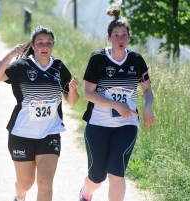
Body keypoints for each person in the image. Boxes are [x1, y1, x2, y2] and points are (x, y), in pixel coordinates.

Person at [0, 25, 79, 201]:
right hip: (22, 133)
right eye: (40, 43)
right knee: (26, 184)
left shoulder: (59, 68)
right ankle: (19, 195)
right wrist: (10, 55)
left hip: (50, 132)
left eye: (48, 43)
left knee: (45, 182)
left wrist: (73, 89)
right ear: (32, 44)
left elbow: (72, 100)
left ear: (53, 45)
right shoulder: (21, 66)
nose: (44, 46)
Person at [79, 2, 155, 201]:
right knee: (97, 178)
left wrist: (148, 107)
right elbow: (88, 93)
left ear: (129, 37)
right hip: (98, 124)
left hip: (126, 124)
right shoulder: (98, 59)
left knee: (116, 173)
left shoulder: (136, 61)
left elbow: (147, 90)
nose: (120, 39)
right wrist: (116, 105)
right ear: (109, 37)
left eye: (124, 35)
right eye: (116, 35)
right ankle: (86, 194)